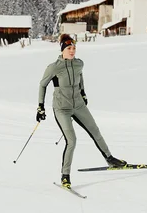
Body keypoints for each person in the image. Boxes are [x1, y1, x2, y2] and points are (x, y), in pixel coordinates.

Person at [37, 34, 127, 188]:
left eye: (74, 48)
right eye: (69, 48)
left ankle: (110, 158)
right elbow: (42, 85)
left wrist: (83, 92)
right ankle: (65, 176)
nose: (72, 51)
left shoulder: (79, 64)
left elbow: (80, 78)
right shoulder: (54, 67)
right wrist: (40, 106)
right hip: (62, 108)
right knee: (71, 141)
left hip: (78, 105)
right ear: (63, 50)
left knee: (95, 131)